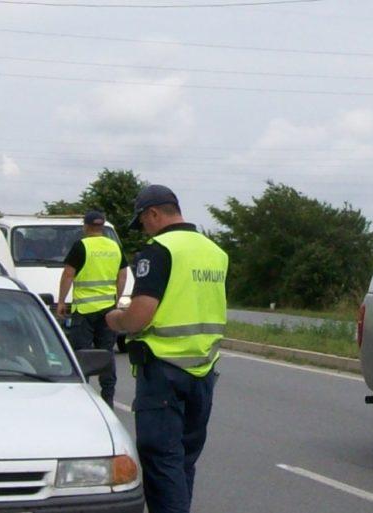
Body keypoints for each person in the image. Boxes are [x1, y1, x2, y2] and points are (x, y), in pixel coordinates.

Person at [105, 185, 228, 513]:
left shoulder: (158, 250)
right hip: (203, 371)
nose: (144, 228)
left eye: (143, 221)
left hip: (163, 372)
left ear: (154, 214)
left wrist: (117, 319)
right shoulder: (215, 251)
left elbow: (141, 314)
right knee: (183, 461)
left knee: (161, 462)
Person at [57, 210, 128, 409]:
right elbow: (122, 276)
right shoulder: (114, 246)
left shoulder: (82, 246)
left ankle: (84, 399)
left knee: (83, 353)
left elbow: (68, 275)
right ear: (103, 226)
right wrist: (116, 298)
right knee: (106, 354)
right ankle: (108, 398)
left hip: (85, 309)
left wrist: (62, 301)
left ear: (86, 226)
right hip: (108, 309)